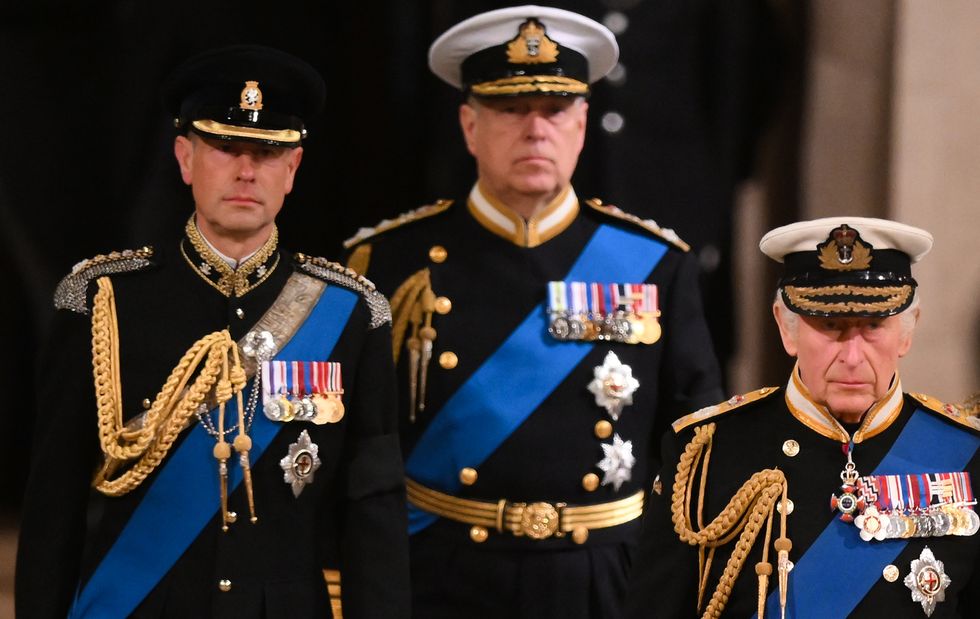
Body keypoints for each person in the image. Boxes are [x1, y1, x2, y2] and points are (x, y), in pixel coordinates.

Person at [342, 6, 723, 618]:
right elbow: (358, 455)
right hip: (440, 577)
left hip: (605, 581)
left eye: (555, 110)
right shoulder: (387, 264)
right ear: (469, 125)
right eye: (511, 110)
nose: (536, 130)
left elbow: (698, 456)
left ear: (583, 123)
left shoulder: (653, 265)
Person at [15, 44, 409, 619]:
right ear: (184, 158)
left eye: (268, 152)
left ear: (293, 169)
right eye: (225, 147)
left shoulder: (351, 312)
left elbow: (372, 512)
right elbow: (53, 508)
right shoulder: (102, 302)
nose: (246, 170)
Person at [624, 216, 980, 618]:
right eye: (830, 327)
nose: (851, 357)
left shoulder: (964, 453)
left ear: (907, 329)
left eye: (874, 326)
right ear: (786, 327)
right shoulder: (705, 455)